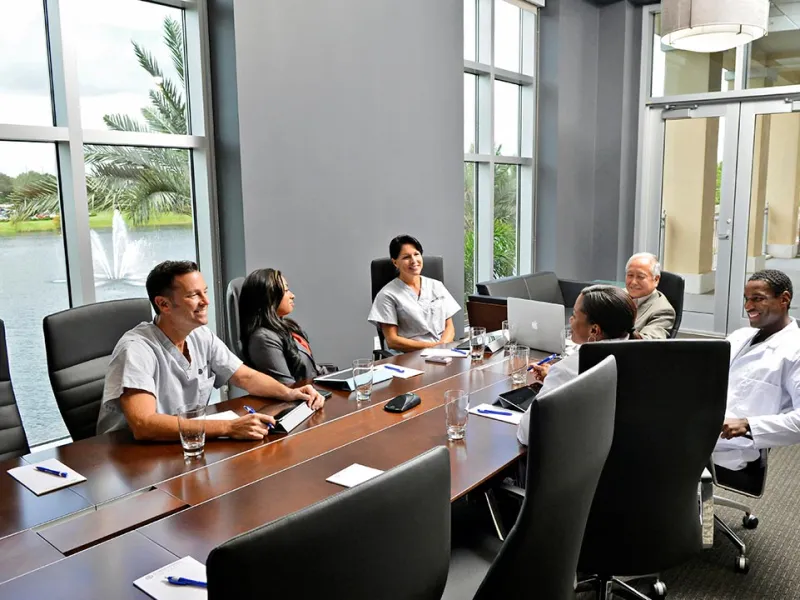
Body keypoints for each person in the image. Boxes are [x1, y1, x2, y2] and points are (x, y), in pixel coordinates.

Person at [97, 260, 325, 441]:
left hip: (186, 443)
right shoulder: (136, 349)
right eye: (193, 295)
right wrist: (229, 426)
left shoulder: (200, 335)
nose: (206, 301)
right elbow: (144, 425)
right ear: (163, 304)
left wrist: (291, 393)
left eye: (204, 292)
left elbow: (245, 376)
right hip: (131, 460)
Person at [517, 285, 637, 445]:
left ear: (594, 330)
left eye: (574, 315)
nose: (570, 320)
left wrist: (557, 377)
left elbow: (528, 433)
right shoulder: (639, 353)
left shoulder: (568, 369)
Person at [713, 270, 800, 474]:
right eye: (746, 299)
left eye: (758, 299)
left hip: (732, 446)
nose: (748, 306)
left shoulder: (795, 350)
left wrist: (748, 424)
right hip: (703, 423)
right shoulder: (740, 336)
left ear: (784, 299)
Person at [239, 268, 334, 385]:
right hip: (301, 398)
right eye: (286, 290)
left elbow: (309, 369)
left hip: (314, 391)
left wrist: (337, 378)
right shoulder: (263, 339)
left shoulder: (287, 326)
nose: (292, 295)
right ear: (269, 297)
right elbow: (287, 386)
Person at [368, 234, 461, 352]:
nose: (413, 261)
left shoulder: (436, 286)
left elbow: (450, 327)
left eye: (416, 254)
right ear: (395, 262)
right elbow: (392, 340)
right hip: (411, 356)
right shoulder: (387, 295)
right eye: (406, 257)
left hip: (445, 351)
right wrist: (434, 348)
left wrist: (444, 346)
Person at [625, 252, 675, 339]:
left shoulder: (663, 311)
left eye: (640, 277)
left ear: (656, 279)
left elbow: (648, 344)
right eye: (630, 275)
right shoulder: (616, 295)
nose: (633, 282)